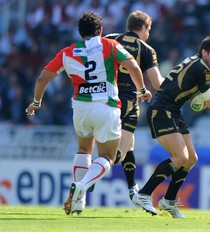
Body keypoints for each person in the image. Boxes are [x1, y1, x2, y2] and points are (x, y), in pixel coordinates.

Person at [25, 11, 152, 215]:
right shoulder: (109, 46)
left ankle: (78, 202)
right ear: (100, 30)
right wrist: (142, 90)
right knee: (108, 157)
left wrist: (36, 102)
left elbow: (42, 78)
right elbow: (133, 66)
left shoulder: (68, 52)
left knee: (84, 150)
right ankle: (82, 185)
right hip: (106, 106)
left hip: (81, 108)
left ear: (80, 32)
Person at [131, 35, 210, 218]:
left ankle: (168, 201)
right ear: (204, 52)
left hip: (173, 111)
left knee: (191, 158)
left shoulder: (200, 64)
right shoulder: (201, 69)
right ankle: (144, 193)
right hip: (161, 110)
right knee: (180, 157)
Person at [105, 10, 164, 204]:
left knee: (129, 146)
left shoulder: (109, 39)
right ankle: (89, 178)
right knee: (119, 153)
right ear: (143, 28)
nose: (149, 34)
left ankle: (132, 188)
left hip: (105, 97)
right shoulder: (146, 49)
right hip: (129, 100)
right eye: (149, 30)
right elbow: (157, 83)